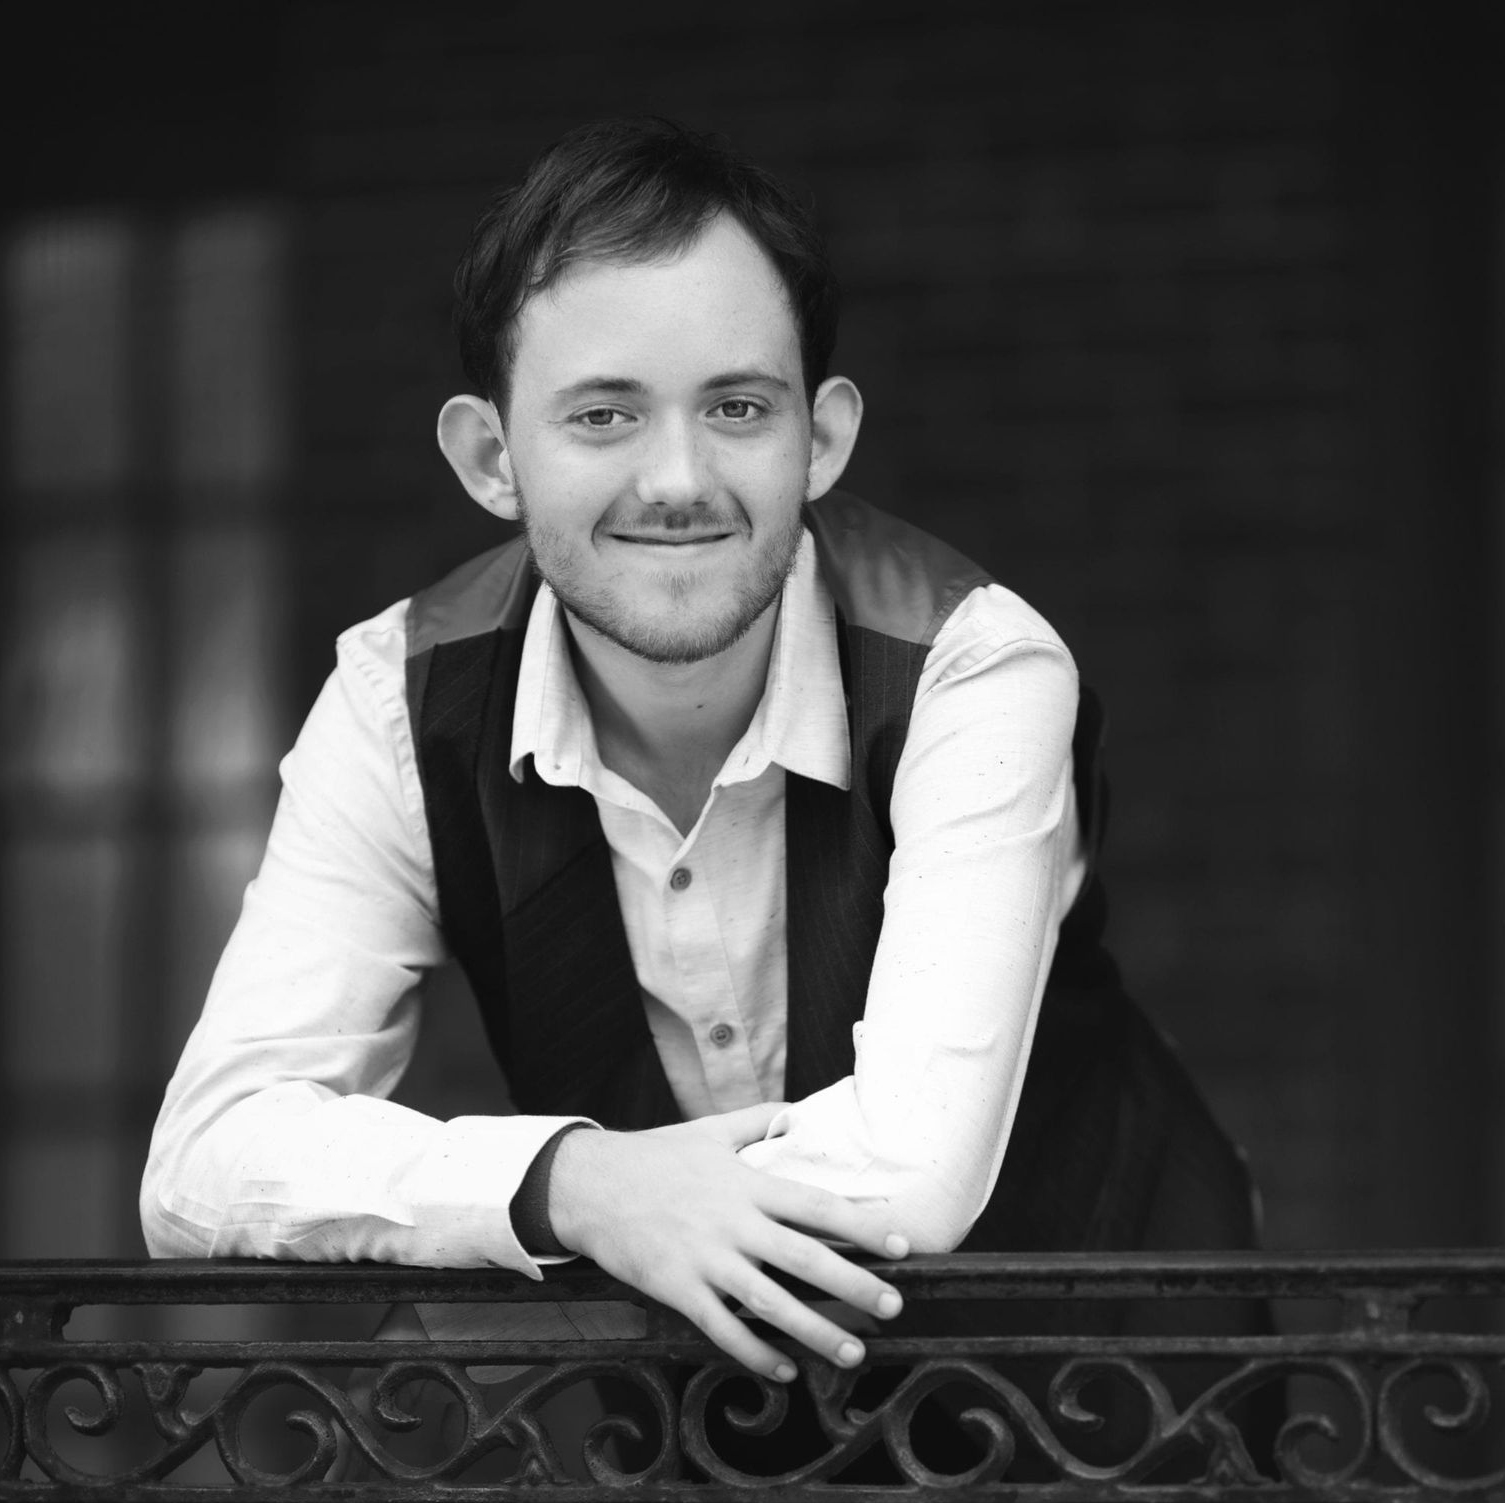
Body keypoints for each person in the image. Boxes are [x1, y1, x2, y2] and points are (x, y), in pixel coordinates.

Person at [141, 118, 1264, 1399]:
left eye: (737, 408)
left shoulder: (972, 666)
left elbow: (911, 1173)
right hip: (709, 1430)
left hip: (1111, 1409)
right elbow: (206, 1157)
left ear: (822, 440)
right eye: (605, 415)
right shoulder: (394, 703)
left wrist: (583, 1207)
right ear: (490, 458)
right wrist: (578, 1183)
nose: (677, 479)